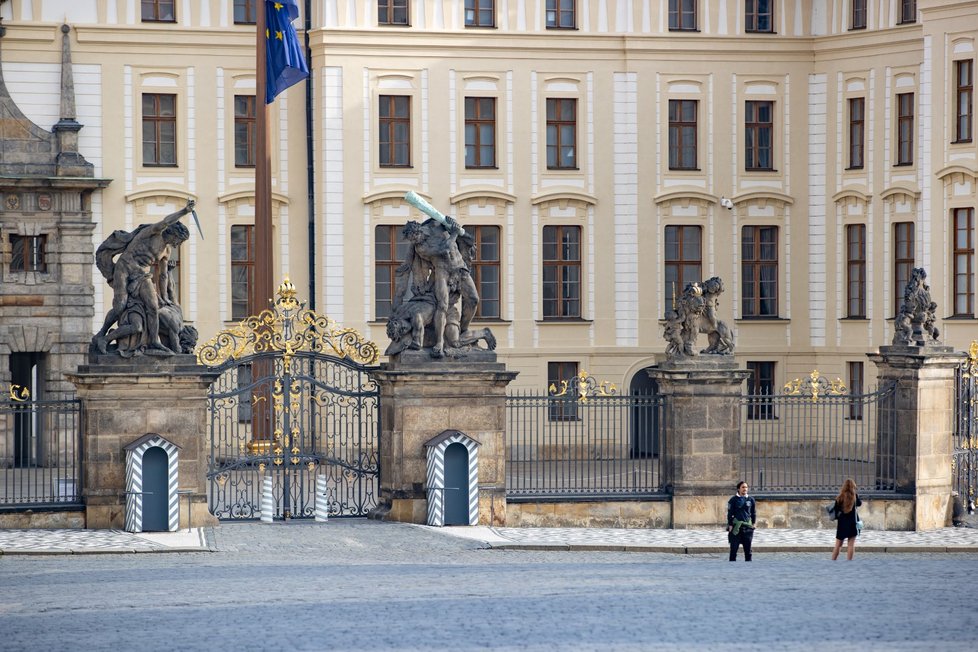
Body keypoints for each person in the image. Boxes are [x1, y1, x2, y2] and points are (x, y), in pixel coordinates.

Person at [93, 200, 194, 355]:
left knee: (153, 307)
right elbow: (166, 221)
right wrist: (184, 211)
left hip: (141, 274)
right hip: (125, 268)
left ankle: (154, 341)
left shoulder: (166, 251)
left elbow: (163, 275)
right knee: (120, 305)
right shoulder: (154, 233)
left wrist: (166, 298)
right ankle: (101, 334)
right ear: (173, 233)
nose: (177, 244)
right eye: (178, 240)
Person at [830, 478, 862, 560]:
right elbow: (859, 504)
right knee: (851, 544)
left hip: (842, 523)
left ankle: (833, 560)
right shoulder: (855, 496)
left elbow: (836, 511)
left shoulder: (840, 497)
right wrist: (855, 494)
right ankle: (849, 561)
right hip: (853, 522)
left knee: (838, 544)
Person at [726, 480, 756, 562]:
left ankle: (748, 568)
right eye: (743, 487)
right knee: (733, 550)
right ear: (738, 489)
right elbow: (730, 513)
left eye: (746, 487)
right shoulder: (733, 500)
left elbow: (753, 513)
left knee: (748, 551)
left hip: (747, 528)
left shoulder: (751, 499)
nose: (745, 489)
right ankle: (732, 568)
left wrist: (753, 523)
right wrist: (730, 525)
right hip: (736, 528)